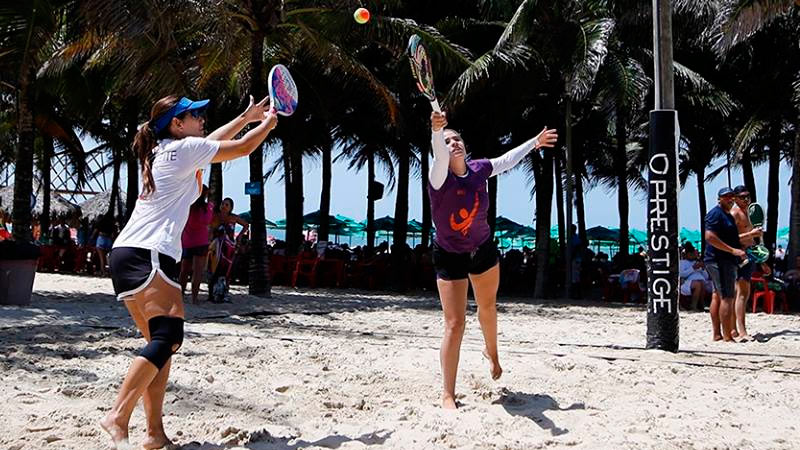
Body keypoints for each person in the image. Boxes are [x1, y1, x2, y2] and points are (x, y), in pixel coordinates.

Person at [102, 94, 277, 449]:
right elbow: (241, 148)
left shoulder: (166, 150)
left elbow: (213, 141)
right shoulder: (182, 151)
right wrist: (269, 124)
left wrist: (245, 115)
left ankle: (154, 433)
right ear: (177, 125)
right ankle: (118, 415)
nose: (202, 118)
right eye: (194, 114)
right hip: (148, 252)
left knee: (159, 346)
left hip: (130, 252)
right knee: (169, 338)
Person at [428, 110, 557, 409]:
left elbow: (507, 160)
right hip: (450, 255)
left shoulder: (479, 169)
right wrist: (437, 131)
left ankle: (492, 353)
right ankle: (448, 393)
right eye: (447, 141)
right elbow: (437, 155)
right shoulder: (438, 178)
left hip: (482, 248)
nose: (453, 143)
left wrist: (534, 143)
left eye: (457, 139)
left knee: (487, 307)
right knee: (455, 323)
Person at [704, 187, 747, 342]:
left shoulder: (727, 214)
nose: (730, 199)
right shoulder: (716, 213)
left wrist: (738, 249)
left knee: (718, 295)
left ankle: (717, 334)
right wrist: (732, 250)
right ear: (719, 198)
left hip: (722, 260)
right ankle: (727, 336)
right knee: (727, 297)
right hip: (719, 260)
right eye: (726, 197)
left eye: (732, 196)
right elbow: (709, 237)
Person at [729, 185, 763, 341]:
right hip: (737, 255)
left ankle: (734, 329)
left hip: (750, 253)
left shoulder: (751, 213)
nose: (746, 199)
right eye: (742, 197)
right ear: (735, 198)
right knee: (740, 293)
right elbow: (729, 239)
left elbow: (756, 239)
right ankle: (740, 331)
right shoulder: (734, 214)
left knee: (743, 293)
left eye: (748, 196)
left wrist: (763, 260)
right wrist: (751, 233)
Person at [179, 184, 214, 304]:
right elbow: (208, 221)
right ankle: (194, 298)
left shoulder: (187, 206)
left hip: (187, 241)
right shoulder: (207, 208)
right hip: (201, 242)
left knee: (184, 271)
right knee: (197, 272)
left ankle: (181, 295)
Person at [679, 243, 712, 311]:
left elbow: (706, 277)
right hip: (687, 282)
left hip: (701, 280)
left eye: (693, 253)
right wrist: (693, 268)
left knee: (703, 283)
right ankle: (694, 305)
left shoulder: (697, 262)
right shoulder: (682, 262)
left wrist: (702, 269)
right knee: (698, 284)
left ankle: (702, 304)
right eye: (691, 254)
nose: (693, 255)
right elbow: (682, 274)